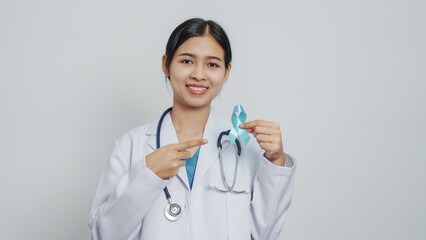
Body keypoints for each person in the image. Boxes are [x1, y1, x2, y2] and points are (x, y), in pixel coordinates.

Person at [89, 18, 297, 240]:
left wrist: (276, 163)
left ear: (226, 72)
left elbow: (264, 235)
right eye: (187, 61)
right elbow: (105, 235)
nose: (199, 74)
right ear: (166, 64)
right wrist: (147, 175)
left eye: (212, 64)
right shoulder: (132, 146)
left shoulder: (246, 147)